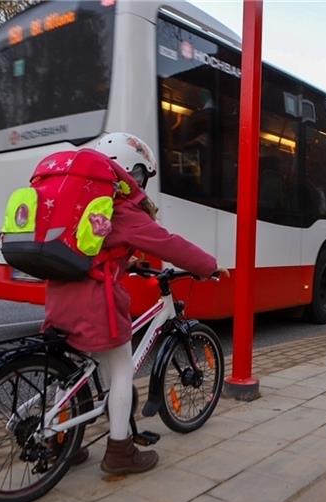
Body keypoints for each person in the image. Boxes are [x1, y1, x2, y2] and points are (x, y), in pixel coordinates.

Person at [42, 133, 227, 474]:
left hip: (60, 295)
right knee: (123, 371)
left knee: (75, 373)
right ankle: (120, 452)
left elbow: (90, 250)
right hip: (96, 303)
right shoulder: (122, 208)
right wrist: (208, 265)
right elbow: (169, 244)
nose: (140, 183)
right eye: (141, 175)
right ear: (132, 171)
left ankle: (59, 441)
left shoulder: (82, 201)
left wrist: (124, 262)